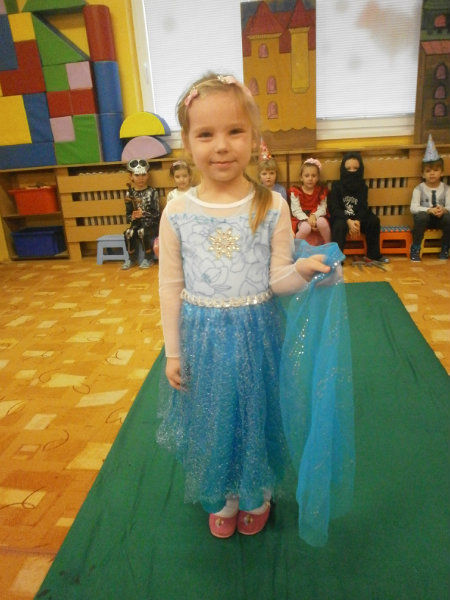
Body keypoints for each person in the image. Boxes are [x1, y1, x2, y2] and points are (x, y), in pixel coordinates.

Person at [156, 72, 347, 542]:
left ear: (255, 138)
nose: (222, 146)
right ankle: (223, 492)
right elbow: (170, 285)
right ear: (187, 143)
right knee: (213, 416)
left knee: (255, 413)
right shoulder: (177, 210)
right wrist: (173, 351)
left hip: (257, 334)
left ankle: (256, 491)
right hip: (201, 340)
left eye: (235, 131)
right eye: (206, 134)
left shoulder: (272, 206)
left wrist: (303, 270)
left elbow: (277, 279)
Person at [327, 151, 389, 263]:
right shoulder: (336, 186)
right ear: (343, 169)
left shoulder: (363, 186)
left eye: (355, 168)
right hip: (343, 218)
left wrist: (357, 221)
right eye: (348, 168)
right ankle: (337, 258)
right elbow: (334, 208)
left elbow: (363, 207)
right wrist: (348, 221)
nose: (352, 171)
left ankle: (373, 255)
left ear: (360, 169)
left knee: (374, 221)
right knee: (339, 225)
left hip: (358, 219)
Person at [409, 134, 450, 261]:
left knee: (449, 218)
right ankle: (415, 248)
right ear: (423, 174)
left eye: (436, 170)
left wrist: (443, 210)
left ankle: (445, 247)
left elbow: (449, 206)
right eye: (428, 171)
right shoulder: (418, 189)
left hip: (440, 218)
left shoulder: (447, 189)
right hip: (425, 219)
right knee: (421, 216)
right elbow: (413, 208)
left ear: (442, 172)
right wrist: (428, 210)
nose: (432, 173)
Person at [121, 159, 160, 270]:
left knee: (142, 231)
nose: (140, 178)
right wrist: (132, 216)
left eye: (143, 175)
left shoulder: (152, 192)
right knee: (128, 233)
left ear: (148, 175)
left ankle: (148, 258)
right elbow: (128, 215)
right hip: (136, 224)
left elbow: (156, 213)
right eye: (137, 175)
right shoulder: (129, 194)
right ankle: (131, 258)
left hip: (151, 224)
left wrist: (144, 214)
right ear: (131, 177)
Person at [289, 158, 331, 243]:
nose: (310, 178)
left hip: (317, 216)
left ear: (318, 177)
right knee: (305, 228)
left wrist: (314, 216)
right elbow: (296, 210)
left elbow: (323, 208)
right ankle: (296, 246)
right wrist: (307, 219)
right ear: (301, 177)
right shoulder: (296, 191)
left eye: (313, 176)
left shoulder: (321, 191)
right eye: (307, 176)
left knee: (322, 222)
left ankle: (328, 244)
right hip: (301, 218)